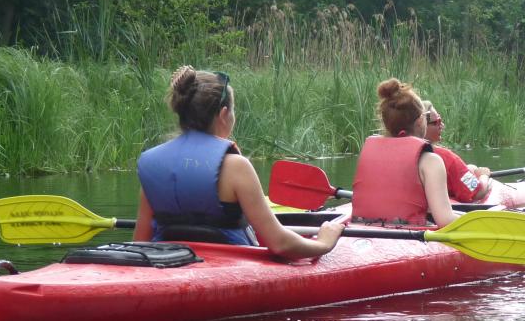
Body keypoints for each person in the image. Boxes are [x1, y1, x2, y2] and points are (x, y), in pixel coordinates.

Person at [133, 66, 345, 260]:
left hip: (166, 268)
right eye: (233, 111)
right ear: (224, 115)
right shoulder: (236, 167)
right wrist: (324, 243)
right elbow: (280, 244)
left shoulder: (155, 166)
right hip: (231, 269)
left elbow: (139, 244)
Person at [349, 79, 459, 227]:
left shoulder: (368, 153)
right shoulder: (431, 161)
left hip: (361, 232)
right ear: (421, 120)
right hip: (409, 240)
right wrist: (473, 219)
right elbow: (445, 220)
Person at [422, 100, 494, 203]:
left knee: (471, 168)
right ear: (421, 125)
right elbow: (478, 192)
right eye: (437, 122)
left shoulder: (404, 153)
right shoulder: (447, 158)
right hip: (446, 212)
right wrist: (484, 175)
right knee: (473, 169)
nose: (442, 125)